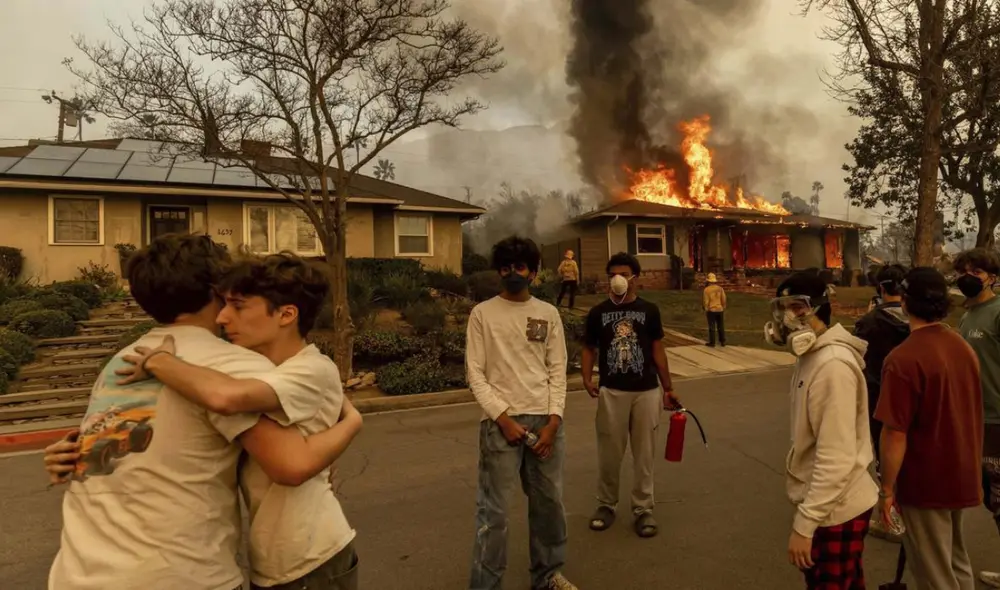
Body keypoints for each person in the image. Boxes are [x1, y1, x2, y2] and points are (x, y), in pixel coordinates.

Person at [42, 235, 359, 590]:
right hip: (175, 574)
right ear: (217, 289)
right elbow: (291, 462)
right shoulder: (231, 365)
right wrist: (352, 422)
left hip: (78, 572)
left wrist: (72, 451)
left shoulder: (122, 361)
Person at [465, 235, 575, 590]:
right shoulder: (482, 314)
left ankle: (547, 577)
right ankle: (486, 584)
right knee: (493, 515)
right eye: (506, 267)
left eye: (521, 267)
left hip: (545, 424)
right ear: (499, 270)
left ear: (534, 272)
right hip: (500, 427)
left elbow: (558, 370)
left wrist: (554, 421)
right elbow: (475, 375)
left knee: (549, 507)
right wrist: (503, 419)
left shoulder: (548, 314)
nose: (513, 273)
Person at [764, 271, 878, 590]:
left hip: (837, 509)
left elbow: (836, 457)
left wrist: (805, 524)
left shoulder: (831, 367)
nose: (789, 317)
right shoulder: (812, 358)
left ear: (821, 308)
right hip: (832, 503)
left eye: (799, 307)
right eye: (783, 307)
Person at [875, 267, 983, 590]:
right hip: (962, 472)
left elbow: (895, 432)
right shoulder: (962, 346)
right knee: (956, 561)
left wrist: (887, 490)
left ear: (905, 303)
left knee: (934, 574)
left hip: (926, 481)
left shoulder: (903, 359)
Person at [581, 252, 681, 539]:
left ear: (635, 277)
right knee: (610, 453)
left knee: (644, 454)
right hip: (611, 391)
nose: (618, 279)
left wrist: (668, 387)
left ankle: (643, 509)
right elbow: (589, 348)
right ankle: (606, 504)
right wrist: (587, 378)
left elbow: (657, 350)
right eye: (613, 273)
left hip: (646, 391)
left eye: (624, 273)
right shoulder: (598, 312)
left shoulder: (649, 310)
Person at [952, 248, 1000, 588]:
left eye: (976, 271)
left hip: (998, 420)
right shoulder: (968, 316)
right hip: (976, 420)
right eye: (963, 270)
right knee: (993, 497)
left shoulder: (998, 312)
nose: (967, 276)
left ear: (992, 277)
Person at [852, 263, 910, 540]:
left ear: (881, 288)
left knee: (885, 458)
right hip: (914, 397)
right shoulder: (917, 319)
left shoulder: (870, 322)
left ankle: (892, 519)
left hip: (879, 397)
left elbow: (857, 358)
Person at [702, 273, 726, 347]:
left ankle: (712, 342)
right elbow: (724, 298)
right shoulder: (720, 288)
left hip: (711, 310)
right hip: (720, 309)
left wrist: (706, 308)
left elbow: (706, 301)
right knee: (720, 326)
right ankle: (722, 341)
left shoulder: (706, 290)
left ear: (708, 281)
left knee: (712, 326)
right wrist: (723, 306)